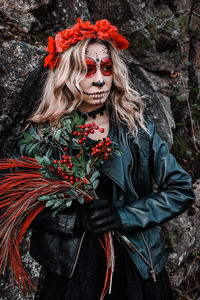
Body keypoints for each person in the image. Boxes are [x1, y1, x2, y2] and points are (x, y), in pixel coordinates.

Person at [11, 18, 195, 300]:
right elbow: (15, 198)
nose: (99, 78)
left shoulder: (137, 129)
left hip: (135, 267)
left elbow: (180, 189)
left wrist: (124, 216)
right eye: (87, 68)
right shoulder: (42, 134)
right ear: (67, 73)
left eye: (106, 67)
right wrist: (70, 221)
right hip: (70, 274)